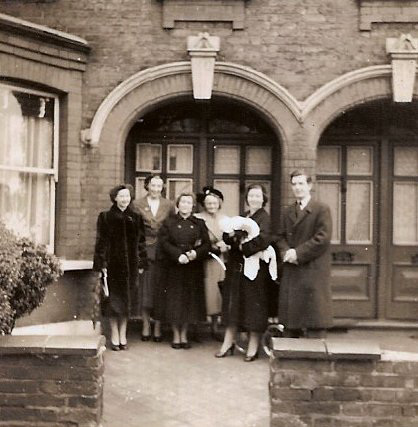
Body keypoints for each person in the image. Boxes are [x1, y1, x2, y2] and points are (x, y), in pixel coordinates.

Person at [216, 184, 276, 362]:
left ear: (263, 198)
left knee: (253, 307)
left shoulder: (264, 218)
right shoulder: (243, 216)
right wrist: (232, 239)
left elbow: (264, 239)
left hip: (255, 271)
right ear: (247, 198)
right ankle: (228, 342)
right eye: (251, 196)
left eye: (258, 196)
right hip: (236, 269)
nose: (254, 199)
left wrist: (241, 246)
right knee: (233, 305)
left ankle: (253, 346)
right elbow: (228, 234)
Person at [277, 169, 333, 338]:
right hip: (292, 271)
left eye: (301, 183)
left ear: (309, 185)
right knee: (291, 324)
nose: (297, 188)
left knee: (314, 322)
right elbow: (280, 237)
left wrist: (297, 253)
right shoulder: (287, 211)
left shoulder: (321, 209)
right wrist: (286, 252)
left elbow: (323, 238)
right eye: (294, 184)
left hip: (312, 271)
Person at [93, 184, 147, 351]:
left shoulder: (136, 218)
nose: (124, 199)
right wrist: (101, 265)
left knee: (126, 303)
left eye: (127, 196)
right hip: (112, 267)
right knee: (113, 304)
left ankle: (123, 334)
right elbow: (101, 243)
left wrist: (141, 263)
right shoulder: (105, 217)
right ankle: (114, 335)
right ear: (115, 198)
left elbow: (141, 243)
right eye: (121, 196)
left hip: (130, 269)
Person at [157, 192, 210, 349]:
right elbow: (164, 242)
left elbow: (207, 244)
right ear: (177, 205)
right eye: (183, 202)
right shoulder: (169, 222)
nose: (185, 205)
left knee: (189, 301)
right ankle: (175, 335)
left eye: (189, 202)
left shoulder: (199, 223)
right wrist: (177, 255)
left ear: (193, 206)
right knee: (174, 301)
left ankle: (184, 334)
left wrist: (195, 253)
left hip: (192, 268)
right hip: (174, 267)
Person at [133, 175, 174, 342]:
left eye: (159, 186)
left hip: (163, 252)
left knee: (160, 290)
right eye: (153, 185)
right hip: (145, 251)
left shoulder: (169, 205)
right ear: (147, 186)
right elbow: (135, 230)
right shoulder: (137, 204)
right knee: (145, 291)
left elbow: (171, 227)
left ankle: (157, 326)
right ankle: (145, 324)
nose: (156, 189)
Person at [195, 186, 229, 340]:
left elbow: (231, 239)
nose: (211, 206)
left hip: (218, 260)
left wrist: (226, 245)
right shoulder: (197, 218)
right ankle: (197, 327)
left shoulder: (225, 219)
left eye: (214, 203)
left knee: (217, 292)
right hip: (203, 259)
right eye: (208, 203)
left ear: (219, 203)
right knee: (202, 290)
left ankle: (215, 326)